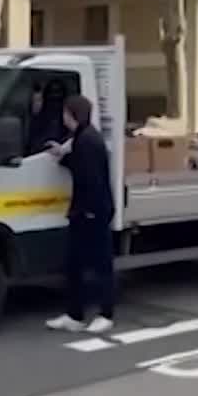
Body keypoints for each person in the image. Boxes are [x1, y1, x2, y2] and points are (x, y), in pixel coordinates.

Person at [46, 95, 117, 333]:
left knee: (100, 265)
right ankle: (74, 315)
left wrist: (90, 212)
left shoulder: (88, 140)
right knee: (74, 264)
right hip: (83, 211)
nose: (63, 117)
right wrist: (62, 154)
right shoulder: (82, 137)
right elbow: (78, 165)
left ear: (72, 115)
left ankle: (105, 314)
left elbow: (91, 178)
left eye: (65, 113)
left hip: (92, 212)